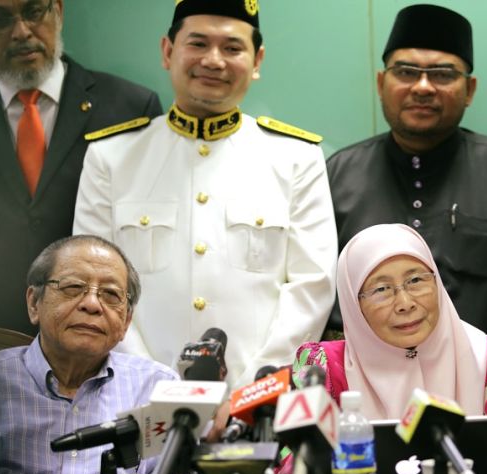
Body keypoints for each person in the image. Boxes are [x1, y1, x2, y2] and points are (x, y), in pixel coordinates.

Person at [73, 0, 337, 392]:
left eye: (232, 48)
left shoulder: (296, 158)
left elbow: (311, 287)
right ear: (168, 51)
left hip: (261, 403)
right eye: (198, 43)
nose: (214, 61)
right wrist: (149, 387)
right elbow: (92, 283)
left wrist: (254, 390)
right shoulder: (111, 157)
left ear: (257, 59)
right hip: (134, 399)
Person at [326, 4, 487, 336]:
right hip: (361, 377)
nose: (423, 87)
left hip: (481, 374)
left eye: (443, 74)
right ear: (381, 83)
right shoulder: (339, 174)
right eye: (406, 72)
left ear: (469, 91)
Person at [0, 0, 162, 335]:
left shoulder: (131, 108)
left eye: (34, 11)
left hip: (97, 336)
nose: (21, 32)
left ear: (59, 12)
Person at [293, 224, 487, 474]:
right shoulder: (322, 371)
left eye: (416, 280)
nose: (405, 304)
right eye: (381, 290)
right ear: (354, 303)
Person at [0, 235, 178, 474]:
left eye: (111, 295)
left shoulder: (159, 389)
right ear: (34, 303)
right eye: (73, 288)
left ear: (125, 322)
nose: (92, 304)